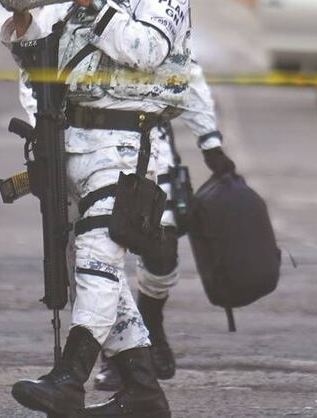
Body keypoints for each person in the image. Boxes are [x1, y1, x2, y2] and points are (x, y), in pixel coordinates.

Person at [1, 0, 183, 417]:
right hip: (76, 146)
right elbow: (49, 66)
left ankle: (71, 377)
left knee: (96, 264)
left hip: (126, 149)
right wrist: (25, 21)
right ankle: (143, 396)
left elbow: (147, 49)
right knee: (99, 275)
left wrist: (98, 2)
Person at [93, 58, 235, 391]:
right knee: (100, 257)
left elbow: (186, 67)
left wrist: (210, 142)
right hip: (90, 138)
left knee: (162, 254)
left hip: (151, 137)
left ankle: (151, 324)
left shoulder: (164, 5)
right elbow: (36, 71)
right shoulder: (73, 7)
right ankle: (116, 354)